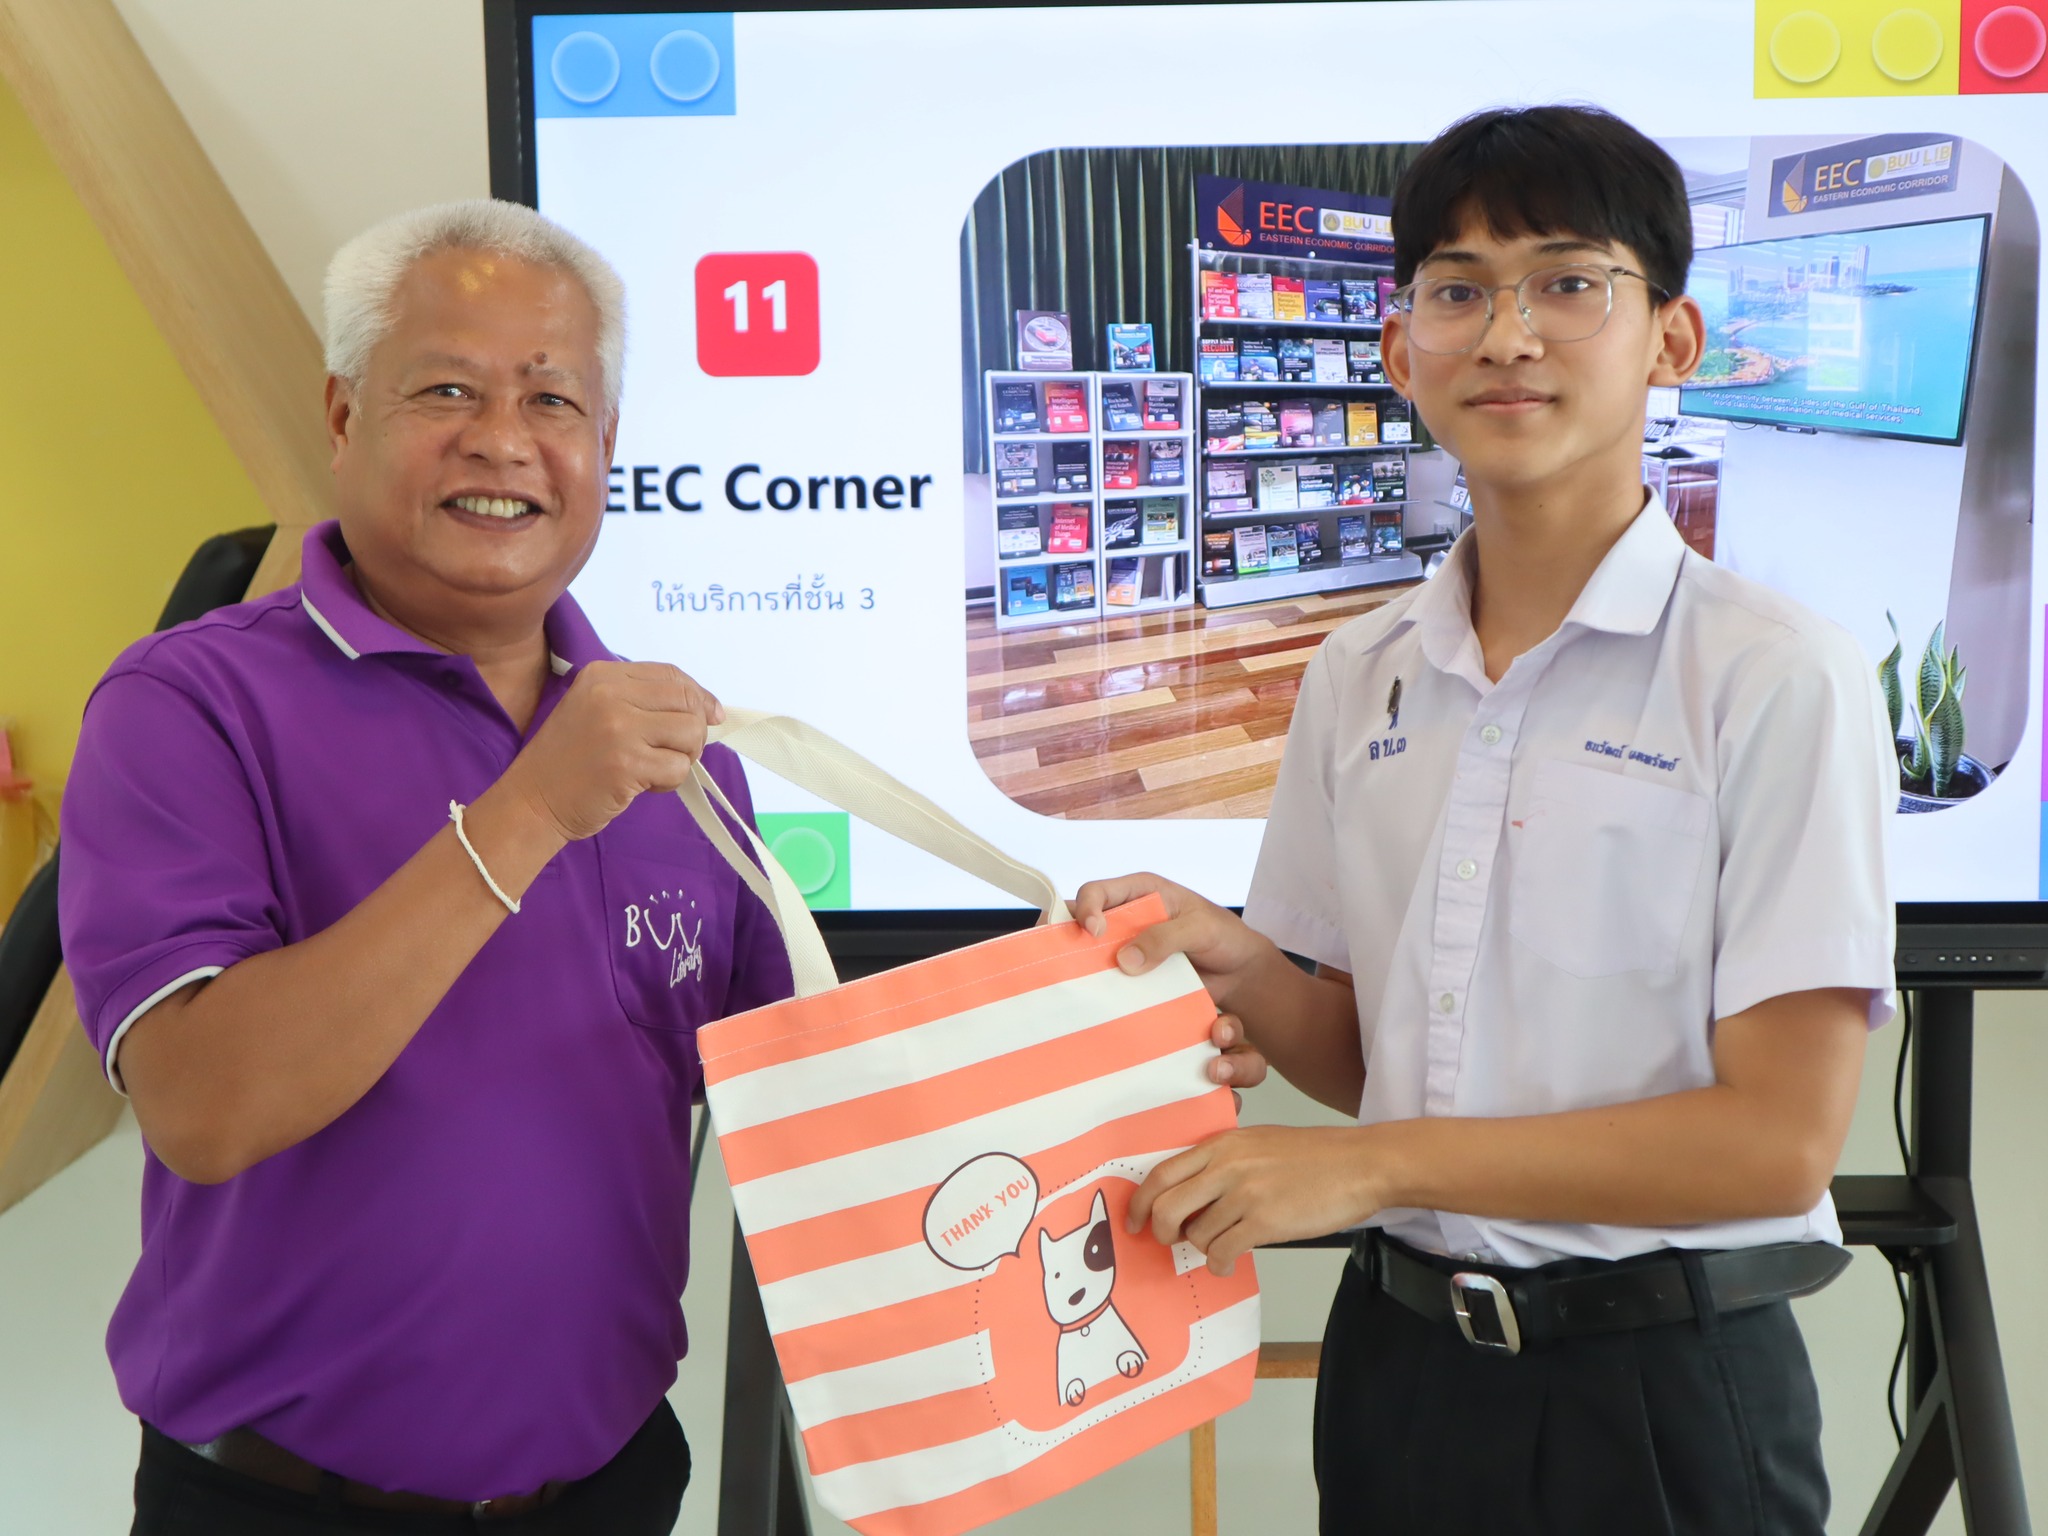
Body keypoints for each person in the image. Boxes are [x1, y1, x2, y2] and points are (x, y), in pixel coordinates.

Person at [1076, 106, 1895, 1535]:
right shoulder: (1361, 670)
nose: (1509, 336)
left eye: (1570, 283)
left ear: (1673, 340)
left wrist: (1373, 1167)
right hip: (1397, 1371)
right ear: (1402, 352)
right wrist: (1242, 965)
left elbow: (1775, 1143)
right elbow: (1372, 1061)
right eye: (1459, 292)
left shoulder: (1775, 673)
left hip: (1661, 1384)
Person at [58, 200, 791, 1533]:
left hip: (610, 1492)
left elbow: (802, 1094)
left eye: (553, 399)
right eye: (446, 389)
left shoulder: (674, 757)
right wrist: (530, 810)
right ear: (344, 416)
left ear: (607, 444)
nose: (503, 439)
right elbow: (203, 1106)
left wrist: (1109, 1005)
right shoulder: (186, 707)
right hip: (281, 1509)